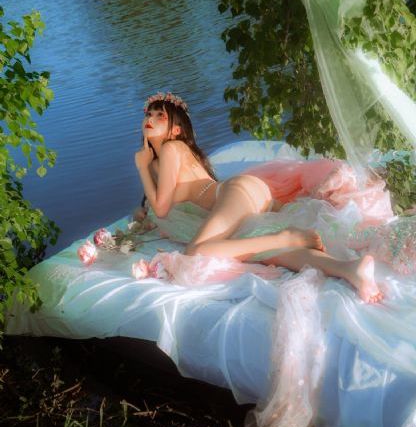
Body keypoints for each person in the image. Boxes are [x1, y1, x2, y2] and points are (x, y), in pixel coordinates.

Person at [134, 92, 383, 303]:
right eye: (148, 114)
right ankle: (350, 269)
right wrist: (144, 204)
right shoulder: (159, 162)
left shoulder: (172, 148)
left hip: (236, 194)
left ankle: (285, 236)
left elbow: (162, 208)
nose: (150, 119)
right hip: (242, 197)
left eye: (159, 116)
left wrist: (141, 166)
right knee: (267, 252)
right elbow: (158, 204)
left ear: (176, 130)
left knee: (196, 252)